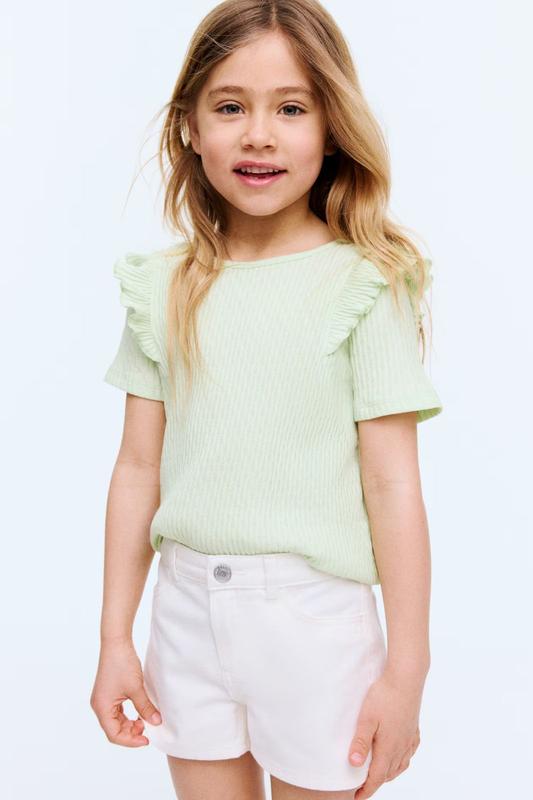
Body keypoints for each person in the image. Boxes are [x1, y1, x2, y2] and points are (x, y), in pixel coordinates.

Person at [90, 2, 444, 798]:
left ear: (331, 127)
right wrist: (115, 637)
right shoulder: (162, 286)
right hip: (184, 613)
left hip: (314, 622)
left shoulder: (363, 281)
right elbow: (137, 468)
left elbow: (392, 483)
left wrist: (407, 668)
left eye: (290, 108)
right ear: (189, 126)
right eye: (229, 107)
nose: (258, 135)